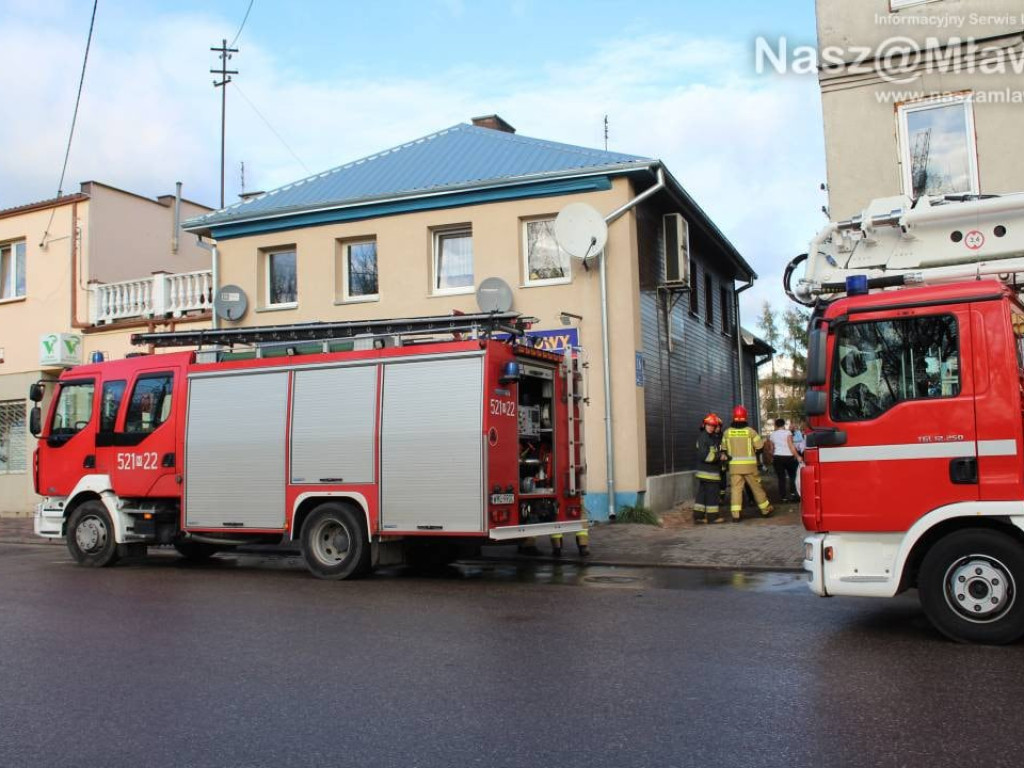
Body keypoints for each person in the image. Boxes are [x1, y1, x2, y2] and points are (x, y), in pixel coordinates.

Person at [724, 405, 774, 522]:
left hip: (734, 467)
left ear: (733, 417)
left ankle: (736, 514)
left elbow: (723, 448)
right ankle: (765, 510)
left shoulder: (727, 433)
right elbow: (760, 447)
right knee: (756, 488)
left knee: (736, 490)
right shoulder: (751, 432)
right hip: (750, 467)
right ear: (745, 417)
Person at [693, 413, 725, 524]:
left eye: (713, 426)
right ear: (704, 425)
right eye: (709, 425)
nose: (711, 427)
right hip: (709, 473)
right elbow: (705, 456)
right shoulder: (704, 438)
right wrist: (719, 456)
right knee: (712, 495)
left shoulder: (709, 437)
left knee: (702, 495)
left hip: (706, 473)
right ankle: (712, 517)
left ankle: (698, 516)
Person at [769, 418, 801, 502]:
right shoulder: (788, 433)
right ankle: (793, 493)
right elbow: (791, 445)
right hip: (789, 457)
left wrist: (772, 457)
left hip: (778, 457)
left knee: (781, 478)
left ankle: (783, 497)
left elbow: (771, 449)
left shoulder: (772, 435)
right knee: (792, 476)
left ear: (776, 425)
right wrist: (797, 456)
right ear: (783, 425)